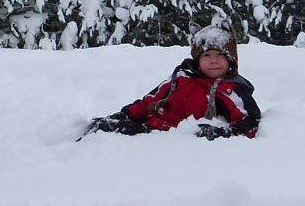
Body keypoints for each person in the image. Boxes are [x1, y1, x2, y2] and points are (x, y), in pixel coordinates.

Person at [84, 21, 262, 139]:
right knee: (101, 129)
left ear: (230, 59)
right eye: (207, 55)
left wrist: (220, 133)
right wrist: (127, 115)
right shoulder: (183, 76)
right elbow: (152, 99)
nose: (213, 61)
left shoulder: (231, 89)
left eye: (220, 55)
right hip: (151, 126)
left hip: (174, 138)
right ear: (198, 60)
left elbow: (248, 123)